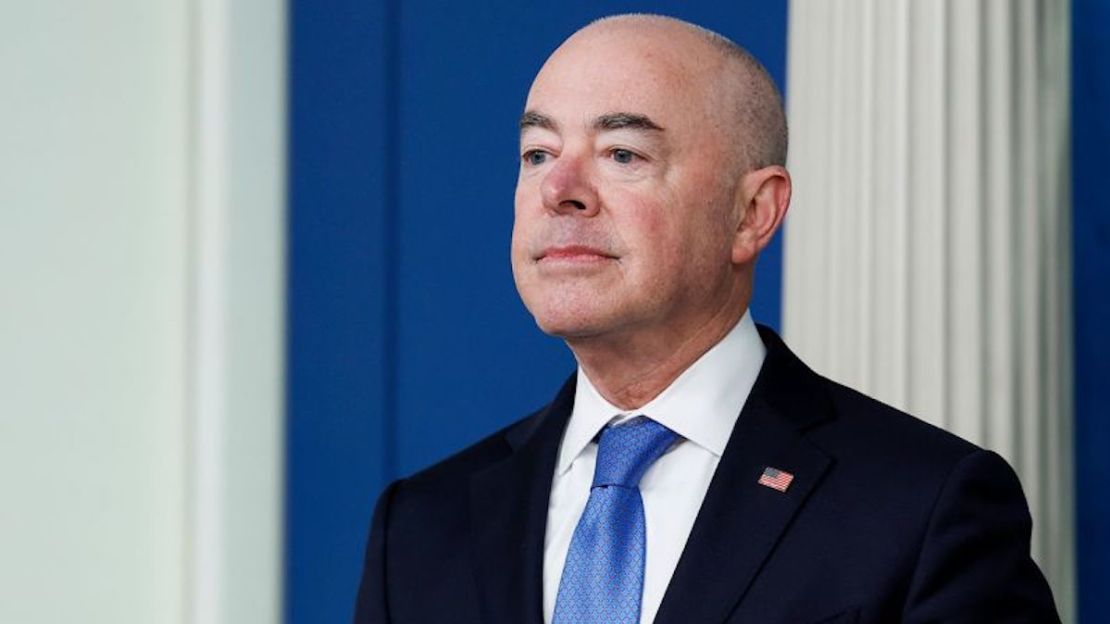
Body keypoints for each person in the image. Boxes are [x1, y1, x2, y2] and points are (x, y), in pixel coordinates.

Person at [354, 14, 1059, 624]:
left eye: (622, 154)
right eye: (538, 154)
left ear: (752, 213)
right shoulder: (420, 527)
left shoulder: (922, 505)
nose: (559, 191)